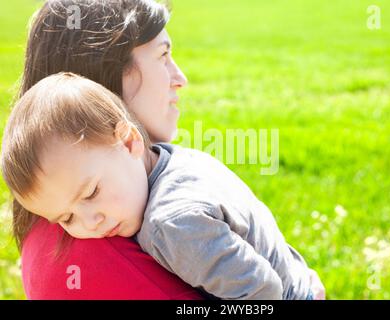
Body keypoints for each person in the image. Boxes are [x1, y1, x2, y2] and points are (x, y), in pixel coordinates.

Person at [2, 73, 325, 300]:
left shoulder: (170, 225)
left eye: (91, 193)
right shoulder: (174, 158)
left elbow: (261, 293)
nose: (90, 221)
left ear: (129, 142)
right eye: (66, 219)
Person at [14, 0, 202, 299]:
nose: (180, 79)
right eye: (163, 55)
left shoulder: (102, 203)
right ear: (107, 75)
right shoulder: (105, 243)